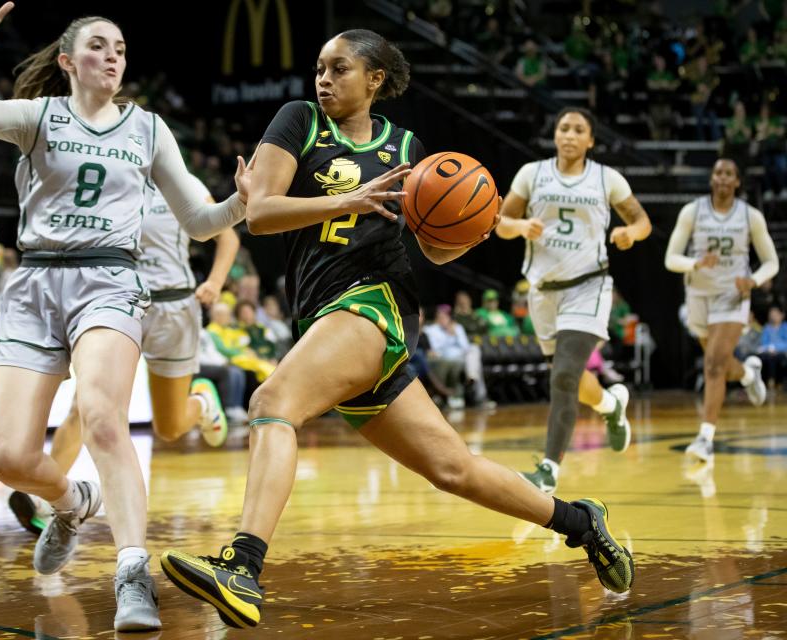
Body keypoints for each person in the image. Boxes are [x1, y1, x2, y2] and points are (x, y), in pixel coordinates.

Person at [160, 29, 634, 630]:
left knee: (271, 402)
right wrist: (346, 201)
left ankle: (242, 567)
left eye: (340, 69)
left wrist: (468, 225)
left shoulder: (406, 146)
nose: (323, 79)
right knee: (452, 469)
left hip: (376, 304)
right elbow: (260, 213)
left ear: (375, 80)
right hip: (324, 310)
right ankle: (579, 521)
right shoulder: (299, 120)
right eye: (320, 68)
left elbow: (432, 251)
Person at [0, 1, 248, 631]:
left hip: (110, 278)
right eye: (99, 46)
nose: (113, 56)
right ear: (67, 61)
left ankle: (132, 574)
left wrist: (242, 202)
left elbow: (200, 220)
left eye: (121, 49)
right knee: (9, 460)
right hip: (33, 284)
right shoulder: (39, 116)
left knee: (104, 415)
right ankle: (71, 500)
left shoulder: (148, 128)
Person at [8, 176, 241, 534]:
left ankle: (201, 402)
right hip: (118, 303)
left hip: (174, 306)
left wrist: (215, 282)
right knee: (83, 407)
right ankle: (45, 497)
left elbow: (228, 236)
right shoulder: (109, 174)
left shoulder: (185, 183)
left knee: (170, 427)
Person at [495, 106, 652, 493]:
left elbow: (642, 221)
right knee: (570, 378)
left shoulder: (607, 178)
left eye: (578, 129)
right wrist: (518, 226)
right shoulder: (532, 174)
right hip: (543, 291)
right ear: (555, 136)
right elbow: (499, 221)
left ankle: (548, 469)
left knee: (563, 376)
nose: (568, 134)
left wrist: (631, 234)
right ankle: (610, 405)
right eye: (563, 127)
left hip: (589, 285)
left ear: (590, 140)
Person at [665, 158, 779, 462]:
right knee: (721, 363)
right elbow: (671, 258)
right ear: (712, 178)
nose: (723, 178)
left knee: (713, 364)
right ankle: (746, 373)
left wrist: (752, 281)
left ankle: (705, 438)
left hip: (732, 295)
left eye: (729, 173)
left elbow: (772, 262)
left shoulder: (750, 216)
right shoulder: (692, 211)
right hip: (698, 294)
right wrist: (695, 263)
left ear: (737, 181)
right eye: (718, 172)